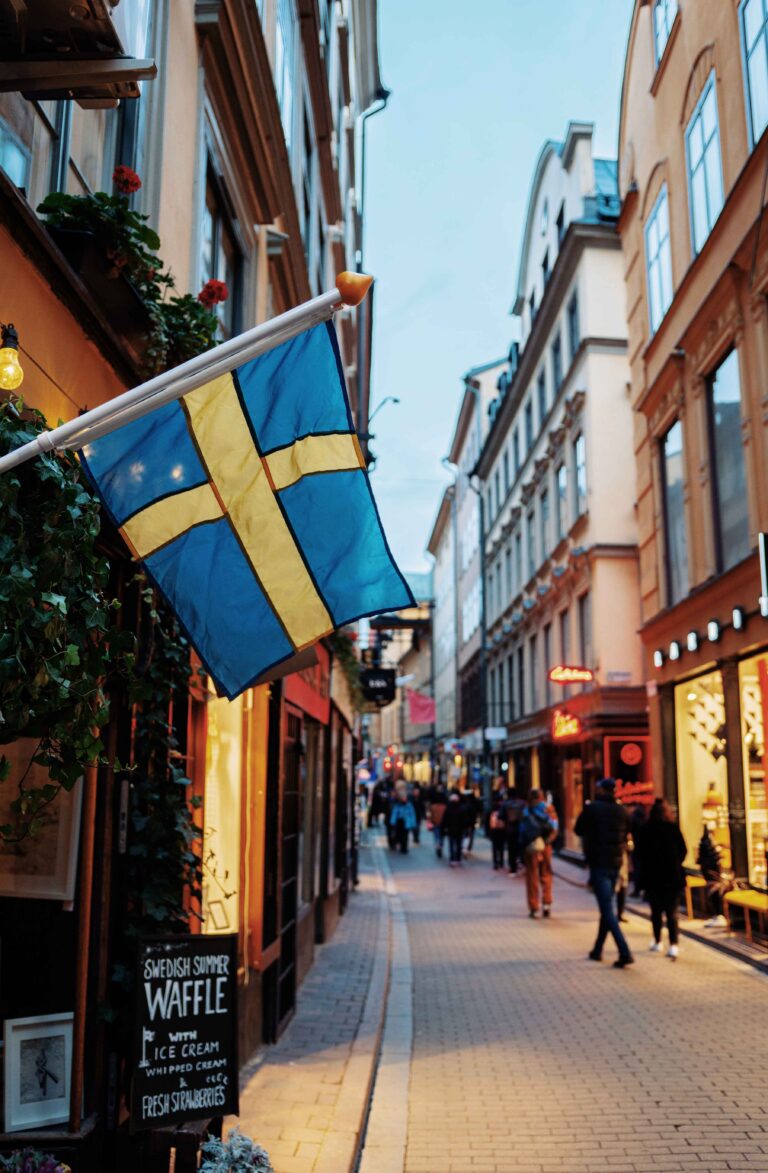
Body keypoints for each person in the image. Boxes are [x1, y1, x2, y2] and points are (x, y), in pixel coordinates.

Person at [574, 778, 634, 968]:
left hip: (598, 862)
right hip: (615, 863)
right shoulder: (622, 811)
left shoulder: (593, 808)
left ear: (601, 790)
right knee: (606, 906)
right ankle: (597, 949)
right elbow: (627, 835)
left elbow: (578, 829)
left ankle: (624, 952)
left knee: (607, 909)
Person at [636, 797, 687, 959]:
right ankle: (673, 944)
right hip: (672, 877)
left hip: (653, 877)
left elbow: (639, 854)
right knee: (672, 912)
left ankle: (657, 941)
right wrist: (675, 863)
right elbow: (683, 851)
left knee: (656, 911)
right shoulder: (672, 828)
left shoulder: (646, 829)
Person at [519, 790, 558, 918]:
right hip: (545, 846)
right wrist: (546, 842)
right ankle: (546, 904)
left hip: (530, 846)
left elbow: (522, 830)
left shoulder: (526, 809)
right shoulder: (548, 808)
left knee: (532, 877)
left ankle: (534, 907)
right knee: (546, 874)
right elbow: (555, 827)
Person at [697, 822, 728, 928]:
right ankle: (717, 915)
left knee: (714, 891)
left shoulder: (709, 841)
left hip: (712, 871)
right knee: (713, 891)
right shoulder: (708, 841)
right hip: (711, 871)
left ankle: (719, 915)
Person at [501, 786, 525, 875]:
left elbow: (501, 816)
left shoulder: (505, 804)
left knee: (511, 848)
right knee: (521, 846)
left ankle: (513, 868)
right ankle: (522, 862)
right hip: (521, 828)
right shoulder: (522, 803)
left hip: (509, 828)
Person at [389, 786, 417, 854]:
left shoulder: (409, 805)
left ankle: (404, 848)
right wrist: (392, 821)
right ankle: (399, 845)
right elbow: (394, 813)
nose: (405, 798)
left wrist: (413, 823)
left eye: (405, 797)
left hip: (406, 822)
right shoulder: (398, 805)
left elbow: (412, 814)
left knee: (405, 835)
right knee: (399, 834)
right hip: (399, 821)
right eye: (403, 797)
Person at [629, 804, 648, 896]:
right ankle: (645, 891)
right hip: (645, 849)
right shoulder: (646, 820)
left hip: (637, 848)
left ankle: (637, 890)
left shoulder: (634, 820)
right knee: (643, 870)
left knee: (637, 870)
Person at [442, 790, 465, 867]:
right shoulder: (461, 808)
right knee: (458, 844)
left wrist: (444, 828)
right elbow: (463, 820)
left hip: (451, 830)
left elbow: (445, 820)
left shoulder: (448, 809)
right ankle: (458, 859)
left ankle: (452, 859)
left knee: (452, 844)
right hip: (459, 830)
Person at [427, 783, 448, 858]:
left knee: (436, 835)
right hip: (443, 823)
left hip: (436, 822)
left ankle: (437, 845)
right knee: (442, 836)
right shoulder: (445, 807)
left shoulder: (433, 806)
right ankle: (440, 846)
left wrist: (430, 821)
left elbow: (430, 815)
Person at [488, 789, 507, 871]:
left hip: (494, 829)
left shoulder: (491, 810)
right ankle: (500, 862)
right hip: (501, 829)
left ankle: (496, 862)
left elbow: (487, 821)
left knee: (495, 847)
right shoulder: (503, 808)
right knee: (501, 846)